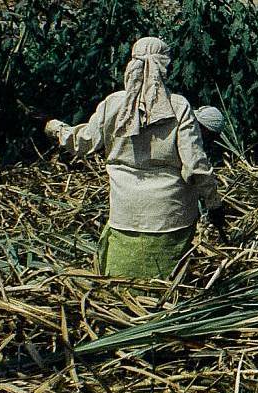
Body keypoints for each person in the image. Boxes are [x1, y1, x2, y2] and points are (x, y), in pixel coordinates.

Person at [44, 37, 215, 280]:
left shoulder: (113, 104)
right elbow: (196, 165)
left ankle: (125, 313)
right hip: (170, 214)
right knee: (165, 285)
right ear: (166, 66)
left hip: (126, 211)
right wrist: (214, 202)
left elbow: (83, 142)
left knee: (121, 283)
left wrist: (54, 127)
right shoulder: (179, 107)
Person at [194, 106, 231, 235]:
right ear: (203, 128)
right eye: (211, 135)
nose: (211, 140)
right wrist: (215, 206)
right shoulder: (189, 141)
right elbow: (201, 174)